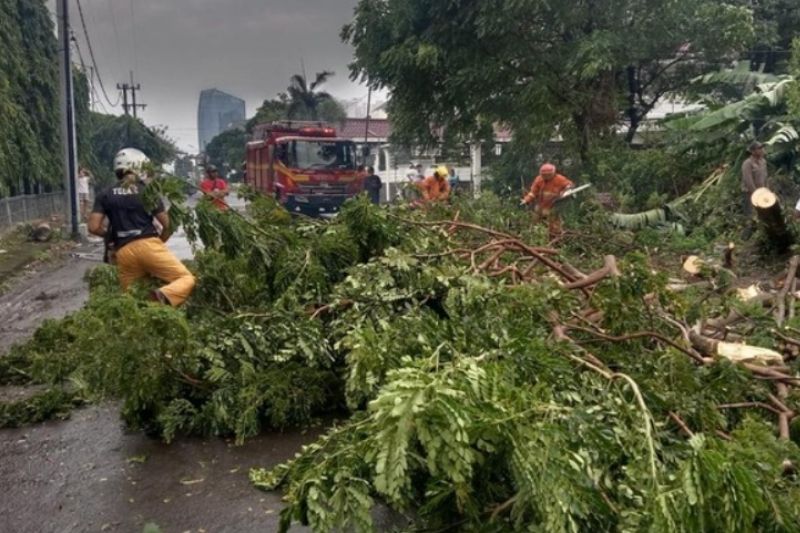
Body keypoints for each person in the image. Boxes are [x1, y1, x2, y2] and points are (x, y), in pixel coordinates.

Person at [88, 148, 196, 307]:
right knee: (186, 279)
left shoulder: (105, 194)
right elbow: (167, 225)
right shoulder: (148, 192)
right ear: (139, 167)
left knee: (132, 300)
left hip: (124, 252)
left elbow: (93, 227)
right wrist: (160, 241)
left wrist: (112, 236)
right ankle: (164, 294)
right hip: (149, 245)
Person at [521, 163, 574, 241]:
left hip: (553, 206)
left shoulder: (559, 179)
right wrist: (526, 200)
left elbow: (569, 185)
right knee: (536, 222)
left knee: (554, 226)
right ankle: (536, 238)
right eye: (543, 175)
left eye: (547, 175)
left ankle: (555, 241)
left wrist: (566, 191)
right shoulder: (539, 179)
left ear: (552, 173)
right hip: (540, 205)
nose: (545, 177)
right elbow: (533, 192)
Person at [742, 141, 768, 217]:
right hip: (749, 193)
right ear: (753, 151)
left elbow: (765, 177)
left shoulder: (763, 162)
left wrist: (766, 190)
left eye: (762, 148)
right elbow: (748, 181)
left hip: (762, 193)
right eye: (759, 148)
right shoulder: (747, 163)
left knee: (762, 214)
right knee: (751, 215)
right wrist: (756, 193)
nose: (762, 150)